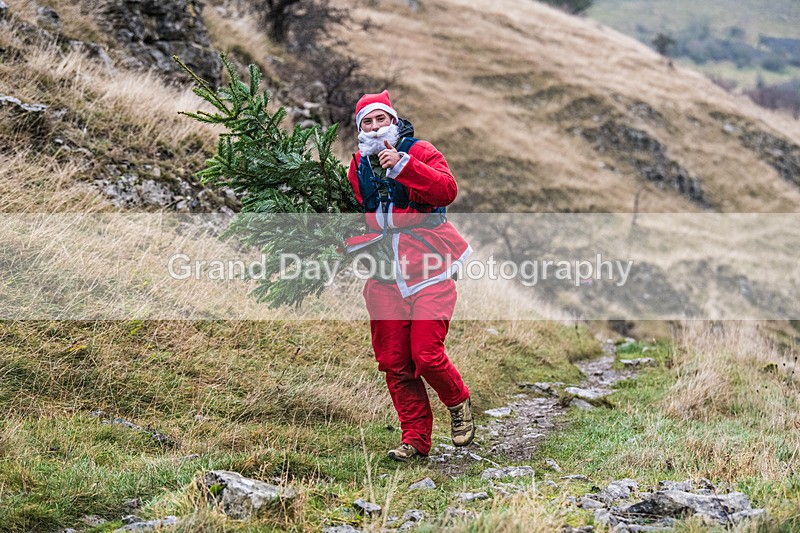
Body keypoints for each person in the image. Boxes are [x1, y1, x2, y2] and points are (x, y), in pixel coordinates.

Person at [344, 90, 475, 461]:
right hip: (383, 273)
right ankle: (415, 440)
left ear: (393, 120)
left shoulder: (420, 151)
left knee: (427, 355)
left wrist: (404, 165)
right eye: (366, 122)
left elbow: (447, 190)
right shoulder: (357, 165)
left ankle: (458, 401)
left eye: (380, 119)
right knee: (395, 363)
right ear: (360, 128)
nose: (374, 126)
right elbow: (355, 214)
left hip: (430, 267)